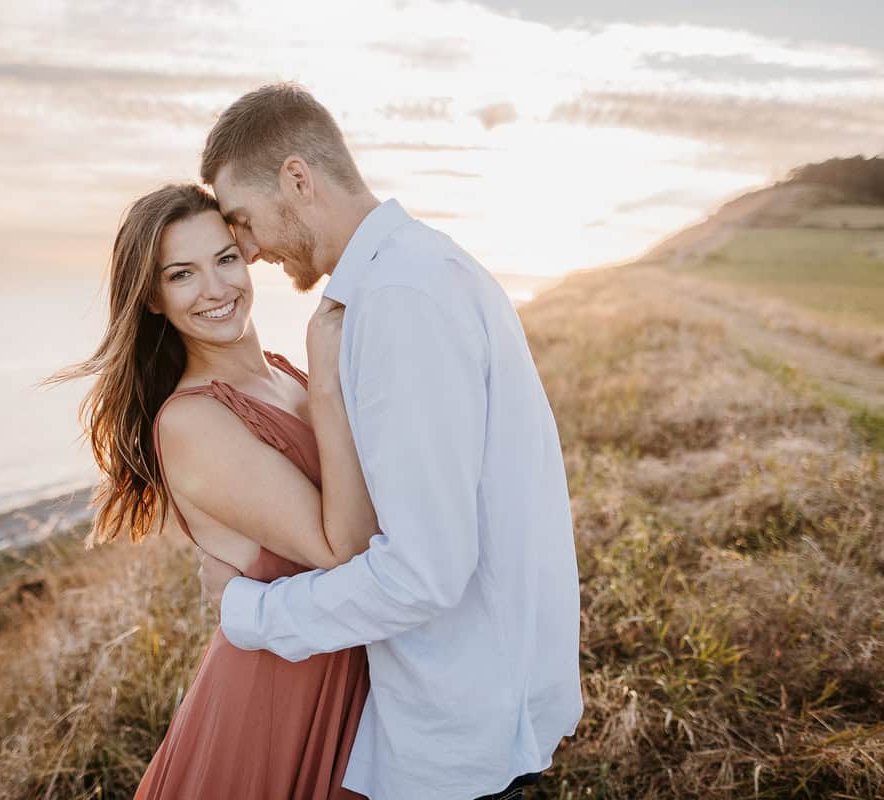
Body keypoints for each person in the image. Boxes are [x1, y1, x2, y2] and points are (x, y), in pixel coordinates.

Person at [196, 83, 584, 800]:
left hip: (459, 732)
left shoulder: (400, 301)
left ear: (299, 179)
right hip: (480, 701)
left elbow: (423, 573)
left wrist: (251, 613)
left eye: (244, 223)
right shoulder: (419, 268)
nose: (246, 252)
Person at [45, 182, 381, 799]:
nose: (217, 289)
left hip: (351, 669)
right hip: (278, 700)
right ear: (152, 297)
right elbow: (346, 551)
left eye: (225, 258)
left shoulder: (283, 374)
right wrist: (330, 383)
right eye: (182, 275)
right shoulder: (192, 422)